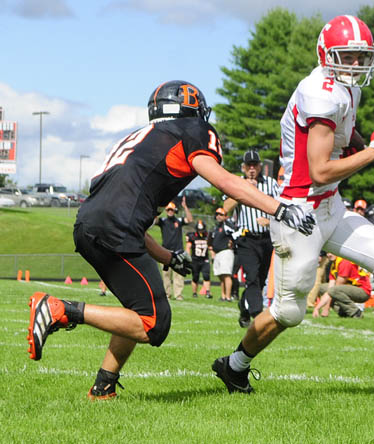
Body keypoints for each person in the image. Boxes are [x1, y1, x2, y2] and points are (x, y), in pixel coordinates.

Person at [26, 80, 315, 399]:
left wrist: (169, 257)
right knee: (154, 324)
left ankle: (104, 386)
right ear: (193, 110)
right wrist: (280, 208)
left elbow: (138, 218)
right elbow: (224, 181)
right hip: (114, 225)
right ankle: (60, 309)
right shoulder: (191, 132)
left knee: (134, 308)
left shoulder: (145, 140)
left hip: (90, 223)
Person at [212, 16, 374, 397]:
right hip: (299, 213)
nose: (354, 65)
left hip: (330, 206)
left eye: (360, 57)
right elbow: (319, 170)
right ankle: (233, 366)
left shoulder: (347, 90)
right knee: (289, 312)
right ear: (326, 54)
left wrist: (363, 143)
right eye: (346, 56)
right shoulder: (320, 91)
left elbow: (343, 138)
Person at [224, 150, 280, 328]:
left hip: (266, 238)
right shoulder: (237, 183)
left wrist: (269, 220)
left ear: (260, 167)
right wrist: (243, 190)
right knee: (252, 278)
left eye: (255, 165)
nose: (252, 169)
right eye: (248, 165)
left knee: (260, 279)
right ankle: (257, 314)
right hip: (246, 238)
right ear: (243, 167)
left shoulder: (270, 184)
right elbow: (225, 207)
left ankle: (244, 307)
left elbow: (280, 206)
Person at [154, 199, 192, 300]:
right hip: (165, 252)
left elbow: (190, 220)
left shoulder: (178, 221)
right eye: (168, 210)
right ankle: (167, 294)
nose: (170, 211)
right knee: (166, 275)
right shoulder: (163, 221)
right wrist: (157, 207)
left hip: (178, 252)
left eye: (171, 210)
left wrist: (185, 207)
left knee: (178, 275)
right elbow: (155, 220)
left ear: (175, 210)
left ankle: (178, 295)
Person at [312, 253, 371, 318]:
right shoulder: (334, 264)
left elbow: (334, 289)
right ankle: (343, 312)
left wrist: (324, 308)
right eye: (327, 253)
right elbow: (330, 287)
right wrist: (320, 308)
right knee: (322, 288)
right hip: (349, 289)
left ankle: (356, 313)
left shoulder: (344, 262)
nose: (329, 255)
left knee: (334, 290)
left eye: (332, 252)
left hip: (362, 291)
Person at [209, 207, 237, 302]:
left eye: (221, 215)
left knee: (226, 275)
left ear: (225, 216)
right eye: (217, 214)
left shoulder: (227, 225)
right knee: (221, 275)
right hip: (218, 253)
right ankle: (223, 295)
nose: (218, 216)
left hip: (226, 252)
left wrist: (232, 242)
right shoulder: (216, 227)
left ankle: (228, 296)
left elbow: (235, 232)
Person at [186, 220, 211, 298]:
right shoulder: (192, 236)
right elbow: (188, 247)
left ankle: (207, 292)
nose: (201, 231)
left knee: (206, 275)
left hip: (205, 259)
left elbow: (210, 246)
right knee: (195, 277)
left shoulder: (207, 236)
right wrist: (188, 258)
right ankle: (194, 293)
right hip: (195, 259)